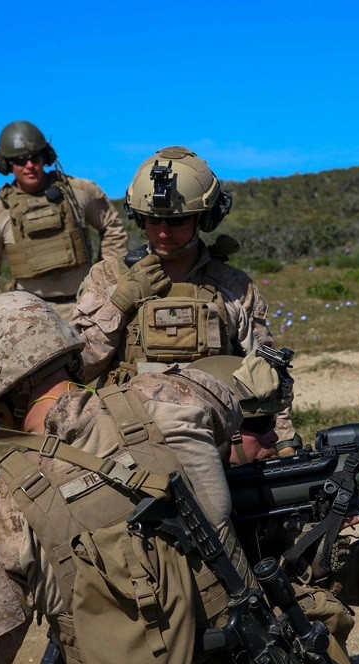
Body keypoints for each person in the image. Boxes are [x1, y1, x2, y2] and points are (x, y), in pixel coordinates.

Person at [0, 291, 283, 664]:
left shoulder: (7, 507)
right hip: (252, 649)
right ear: (71, 356)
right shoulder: (175, 393)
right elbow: (239, 396)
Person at [188, 355, 359, 664]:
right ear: (216, 433)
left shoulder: (258, 498)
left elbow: (339, 585)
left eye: (273, 422)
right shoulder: (184, 519)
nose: (274, 436)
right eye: (260, 424)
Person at [71, 146, 298, 446]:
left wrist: (281, 442)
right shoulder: (108, 280)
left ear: (204, 218)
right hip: (128, 437)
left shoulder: (232, 286)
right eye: (153, 219)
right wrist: (118, 304)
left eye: (177, 221)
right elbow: (79, 369)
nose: (163, 232)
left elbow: (265, 378)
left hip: (213, 439)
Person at [0, 120, 128, 319]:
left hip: (87, 306)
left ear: (45, 156)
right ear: (6, 165)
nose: (29, 166)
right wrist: (4, 316)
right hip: (31, 316)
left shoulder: (79, 192)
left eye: (34, 157)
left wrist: (108, 281)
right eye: (20, 160)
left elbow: (112, 227)